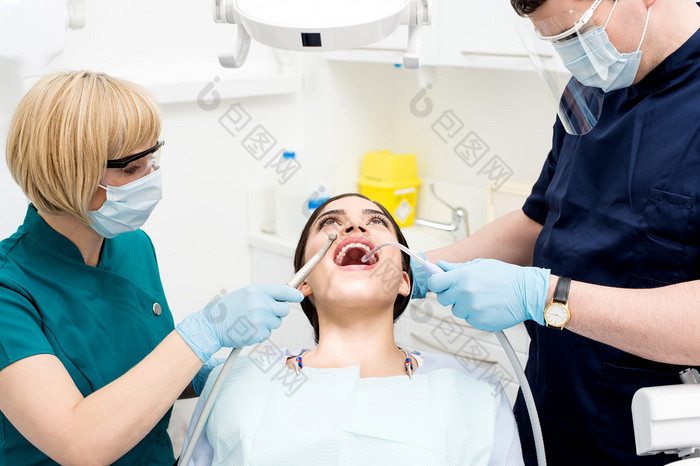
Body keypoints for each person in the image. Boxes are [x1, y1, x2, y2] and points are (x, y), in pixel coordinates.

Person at [410, 0, 700, 464]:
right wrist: (416, 265)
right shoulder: (593, 87)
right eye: (557, 42)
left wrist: (547, 297)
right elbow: (540, 220)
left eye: (578, 34)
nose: (574, 56)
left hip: (651, 439)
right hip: (551, 407)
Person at [0, 71, 302, 464]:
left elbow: (143, 376)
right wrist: (202, 333)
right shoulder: (10, 291)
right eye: (131, 169)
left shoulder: (132, 248)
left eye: (153, 159)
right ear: (68, 174)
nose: (151, 177)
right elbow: (77, 442)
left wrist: (208, 375)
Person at [182, 193, 524, 465]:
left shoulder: (477, 397)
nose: (355, 229)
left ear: (405, 281)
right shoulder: (233, 384)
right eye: (330, 222)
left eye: (375, 222)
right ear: (304, 282)